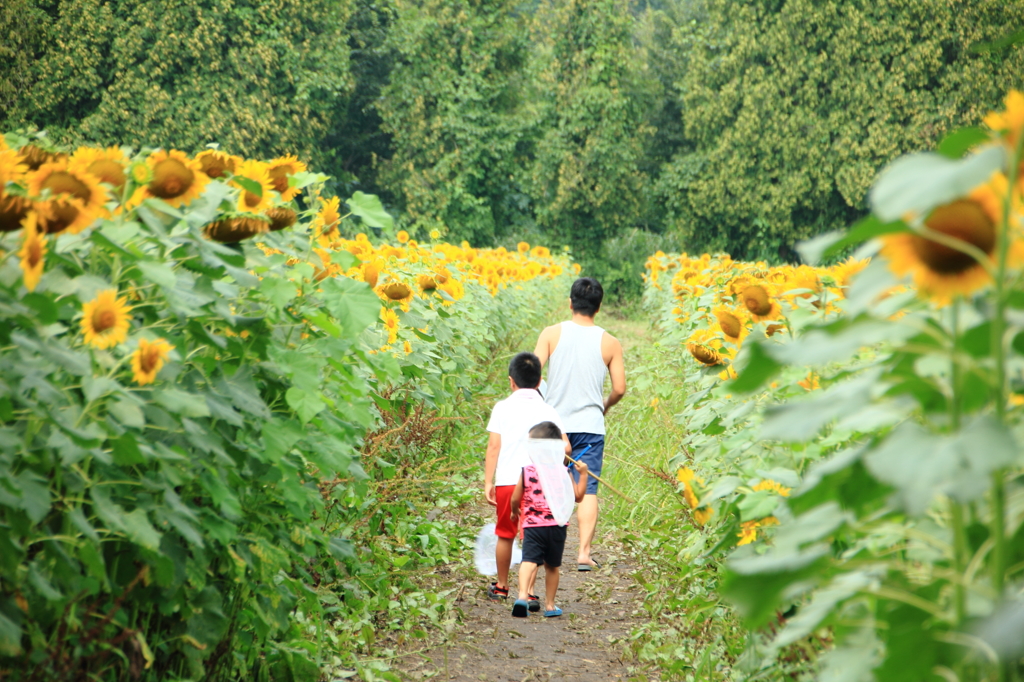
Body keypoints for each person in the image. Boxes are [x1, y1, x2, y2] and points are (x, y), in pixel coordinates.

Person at [534, 277, 626, 571]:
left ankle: (543, 549)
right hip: (590, 425)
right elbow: (620, 388)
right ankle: (584, 553)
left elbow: (532, 376)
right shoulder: (610, 342)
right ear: (598, 308)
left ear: (570, 303)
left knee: (548, 484)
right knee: (588, 490)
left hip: (553, 425)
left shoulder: (551, 334)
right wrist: (604, 406)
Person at [483, 352, 571, 601]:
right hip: (539, 482)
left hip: (509, 480)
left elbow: (493, 447)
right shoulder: (548, 410)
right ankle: (530, 592)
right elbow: (566, 448)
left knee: (505, 533)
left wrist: (489, 481)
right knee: (534, 534)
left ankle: (502, 586)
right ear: (539, 380)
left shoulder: (502, 408)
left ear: (511, 381)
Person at [510, 421, 589, 618]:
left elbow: (515, 498)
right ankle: (550, 606)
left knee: (528, 561)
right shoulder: (564, 472)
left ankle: (521, 596)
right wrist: (584, 475)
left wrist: (514, 511)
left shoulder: (527, 471)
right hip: (557, 526)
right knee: (552, 567)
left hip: (533, 526)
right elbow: (578, 497)